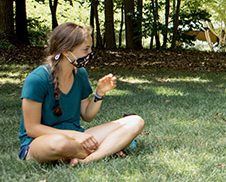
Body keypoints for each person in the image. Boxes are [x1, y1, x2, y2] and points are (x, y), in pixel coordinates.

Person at [18, 22, 145, 165]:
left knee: (135, 121)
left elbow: (87, 115)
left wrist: (99, 93)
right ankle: (108, 149)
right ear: (66, 51)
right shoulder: (37, 79)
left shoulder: (80, 74)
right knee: (60, 144)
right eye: (86, 49)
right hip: (42, 142)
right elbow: (32, 128)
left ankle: (88, 159)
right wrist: (74, 135)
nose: (90, 53)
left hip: (79, 137)